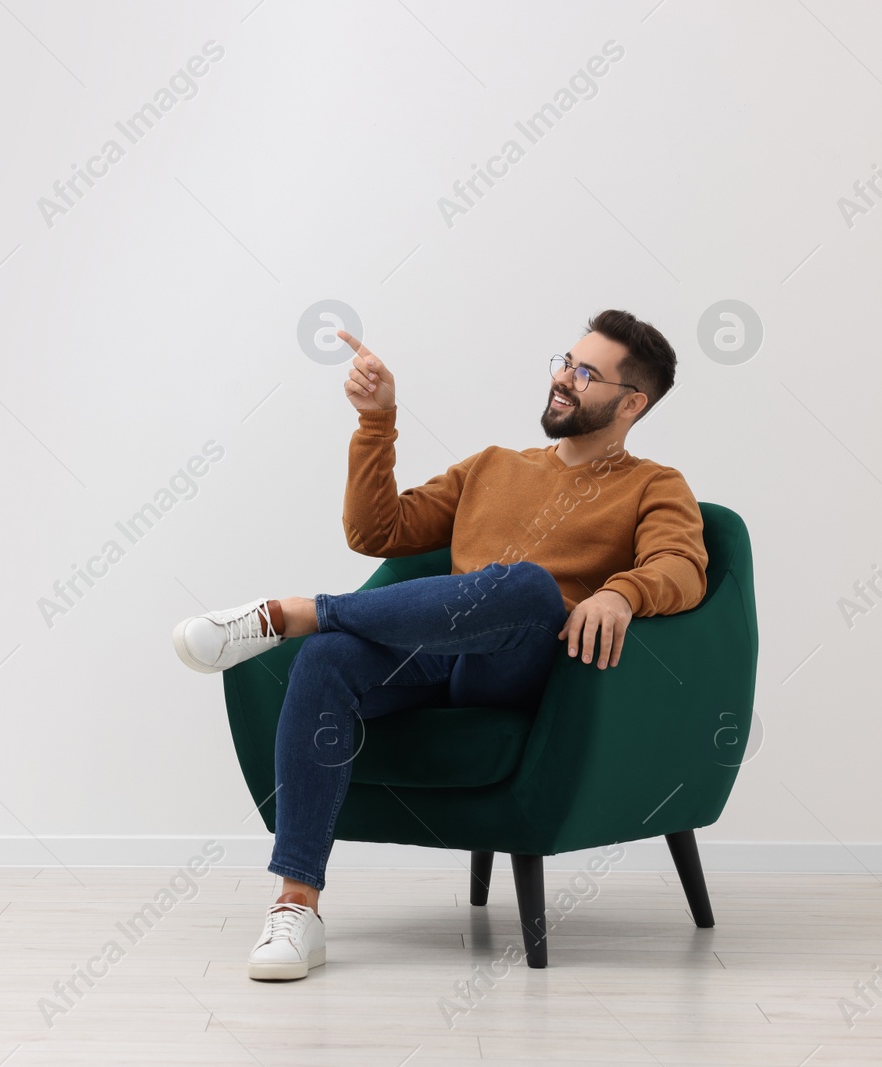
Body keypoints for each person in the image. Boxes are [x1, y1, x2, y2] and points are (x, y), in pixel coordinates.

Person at [171, 310, 709, 980]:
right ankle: (296, 906)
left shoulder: (655, 484)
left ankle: (296, 612)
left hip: (528, 668)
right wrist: (376, 419)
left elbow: (684, 568)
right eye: (565, 361)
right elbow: (378, 531)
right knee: (328, 659)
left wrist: (619, 593)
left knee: (531, 587)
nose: (564, 379)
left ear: (632, 402)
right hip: (432, 653)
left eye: (586, 373)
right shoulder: (493, 466)